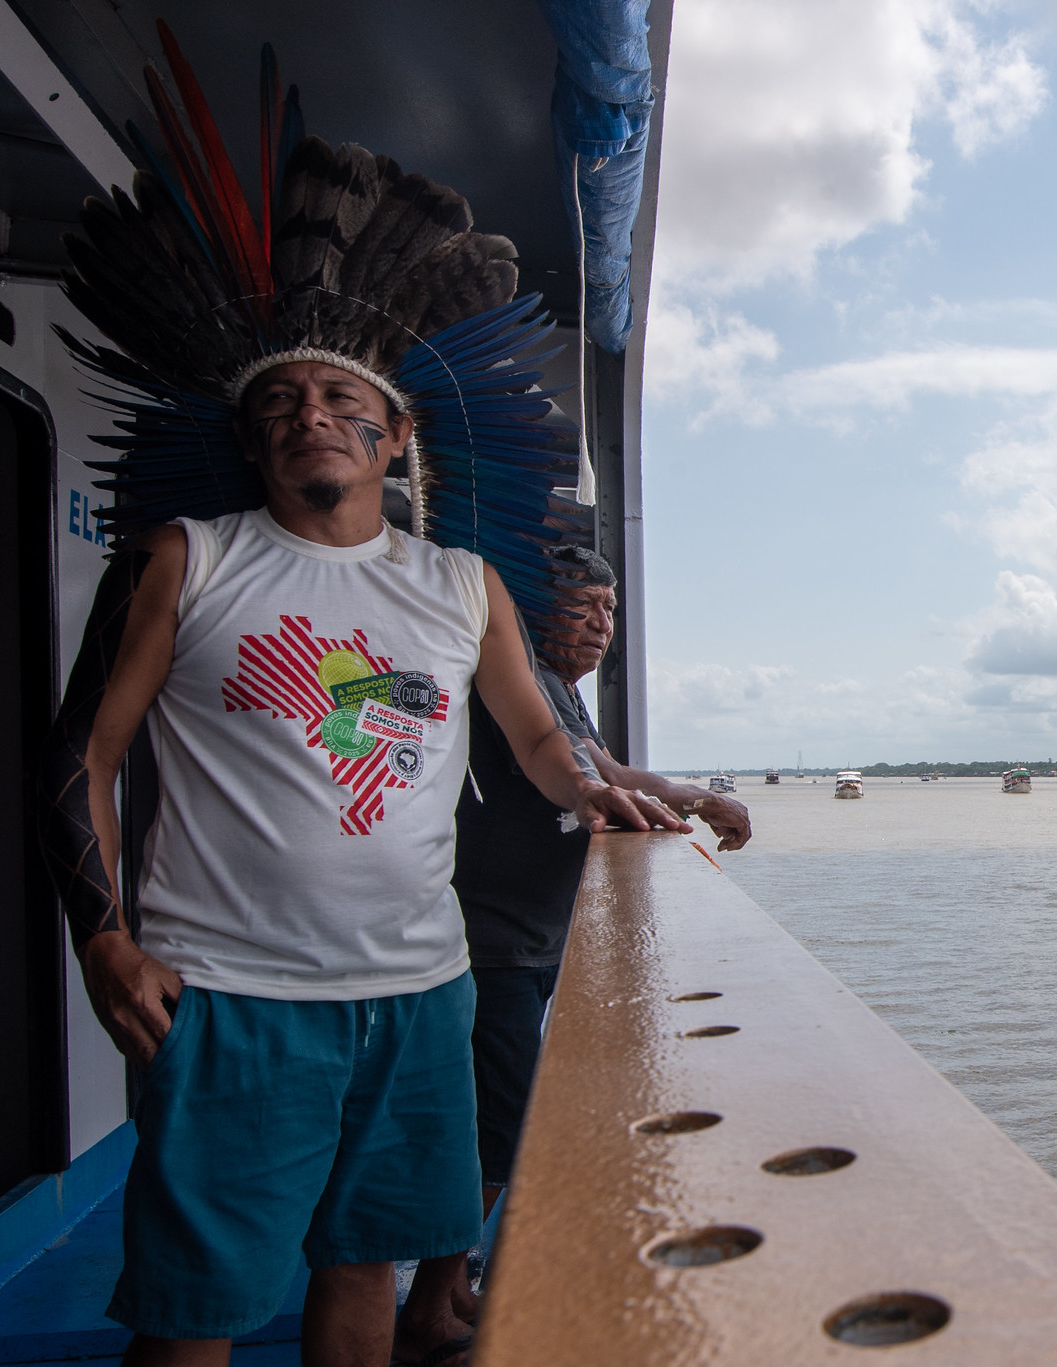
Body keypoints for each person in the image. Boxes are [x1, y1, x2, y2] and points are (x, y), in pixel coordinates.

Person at [37, 62, 688, 1367]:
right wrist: (101, 941)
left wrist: (622, 794)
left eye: (341, 400)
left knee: (364, 1280)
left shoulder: (461, 584)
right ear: (253, 442)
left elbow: (540, 742)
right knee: (193, 1312)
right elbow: (83, 758)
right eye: (279, 404)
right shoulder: (186, 558)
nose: (309, 416)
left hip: (417, 990)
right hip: (226, 993)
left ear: (395, 439)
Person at [450, 547, 750, 1219]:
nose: (598, 623)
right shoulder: (521, 682)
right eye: (579, 604)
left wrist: (695, 798)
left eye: (608, 608)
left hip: (531, 936)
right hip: (493, 941)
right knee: (502, 1127)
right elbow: (609, 779)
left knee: (502, 1119)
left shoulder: (557, 690)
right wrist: (696, 803)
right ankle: (439, 1298)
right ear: (527, 608)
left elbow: (613, 770)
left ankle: (446, 1290)